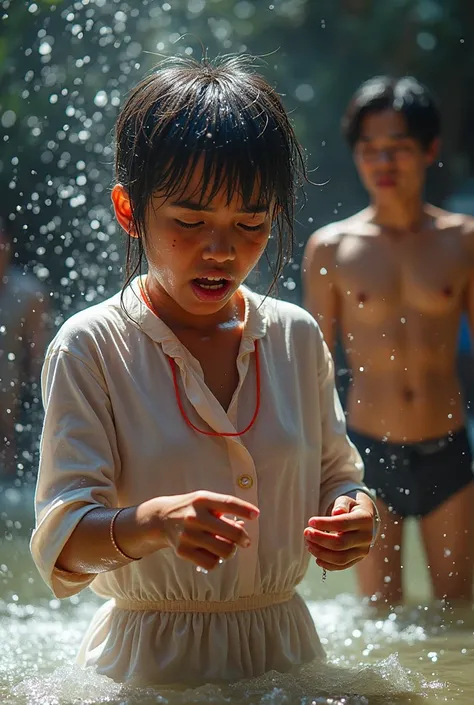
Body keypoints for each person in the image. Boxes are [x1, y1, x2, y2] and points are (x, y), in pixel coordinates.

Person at [30, 56, 378, 686]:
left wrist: (354, 514)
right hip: (143, 669)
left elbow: (338, 475)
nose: (222, 250)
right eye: (189, 222)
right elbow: (61, 543)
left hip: (286, 656)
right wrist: (154, 523)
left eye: (250, 224)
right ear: (129, 210)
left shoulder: (296, 336)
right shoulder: (90, 347)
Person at [303, 75, 474, 607]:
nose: (383, 163)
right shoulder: (331, 248)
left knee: (459, 620)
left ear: (429, 150)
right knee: (378, 622)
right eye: (369, 149)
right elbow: (313, 368)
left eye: (397, 148)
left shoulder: (462, 242)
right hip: (366, 456)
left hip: (449, 449)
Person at [0, 218, 48, 481]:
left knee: (8, 441)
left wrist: (36, 389)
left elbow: (36, 350)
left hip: (10, 383)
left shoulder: (28, 293)